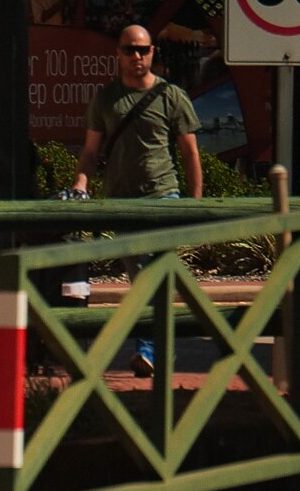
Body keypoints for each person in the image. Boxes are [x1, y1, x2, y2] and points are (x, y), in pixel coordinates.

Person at [71, 23, 202, 377]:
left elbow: (189, 152)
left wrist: (194, 203)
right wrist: (82, 183)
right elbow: (90, 150)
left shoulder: (172, 96)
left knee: (148, 275)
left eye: (143, 49)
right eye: (130, 49)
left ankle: (149, 351)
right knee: (143, 278)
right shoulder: (106, 98)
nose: (137, 56)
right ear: (118, 53)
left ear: (152, 52)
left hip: (164, 195)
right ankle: (158, 349)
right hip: (121, 201)